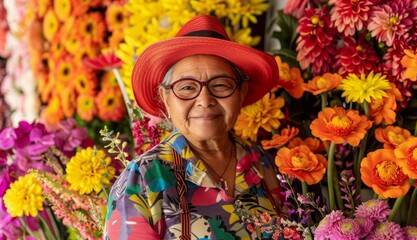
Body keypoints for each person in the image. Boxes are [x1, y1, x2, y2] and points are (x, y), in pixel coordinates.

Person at [104, 15, 284, 239]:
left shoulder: (261, 162)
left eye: (220, 85)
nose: (205, 100)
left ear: (241, 92)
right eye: (187, 87)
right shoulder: (144, 178)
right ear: (166, 98)